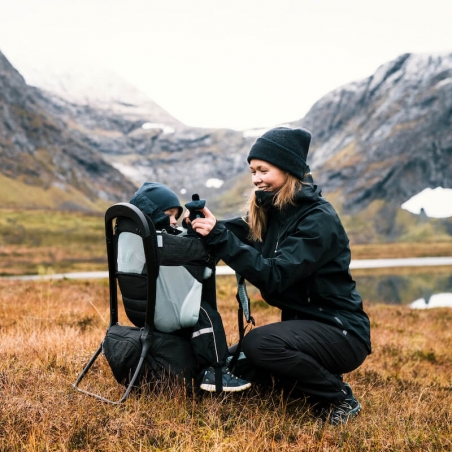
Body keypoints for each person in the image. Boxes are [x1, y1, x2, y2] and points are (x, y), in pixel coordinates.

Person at [190, 127, 371, 424]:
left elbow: (274, 275)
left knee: (259, 345)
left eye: (263, 170)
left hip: (342, 333)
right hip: (306, 331)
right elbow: (233, 232)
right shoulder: (272, 212)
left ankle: (339, 397)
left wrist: (220, 237)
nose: (256, 178)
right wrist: (199, 226)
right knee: (236, 362)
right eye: (253, 171)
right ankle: (308, 379)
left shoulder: (318, 220)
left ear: (288, 170)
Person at [124, 182, 251, 393]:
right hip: (159, 312)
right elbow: (195, 252)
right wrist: (197, 234)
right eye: (169, 214)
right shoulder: (155, 241)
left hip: (140, 312)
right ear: (152, 213)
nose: (173, 221)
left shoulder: (131, 235)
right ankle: (216, 371)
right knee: (202, 312)